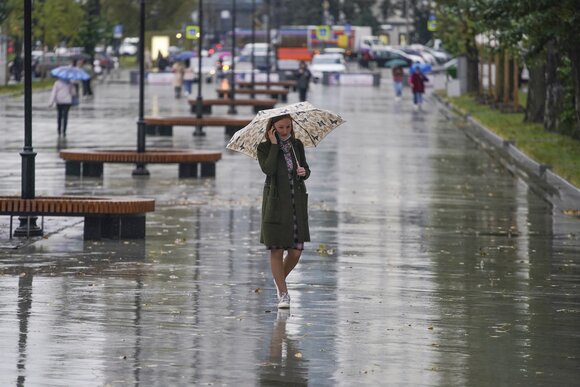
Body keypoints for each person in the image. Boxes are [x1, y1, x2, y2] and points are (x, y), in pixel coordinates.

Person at [257, 114, 311, 309]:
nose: (285, 131)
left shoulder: (297, 145)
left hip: (296, 203)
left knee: (296, 251)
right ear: (272, 128)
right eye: (280, 127)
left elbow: (306, 169)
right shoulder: (264, 148)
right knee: (277, 249)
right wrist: (273, 145)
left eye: (288, 127)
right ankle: (283, 293)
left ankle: (278, 280)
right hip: (276, 204)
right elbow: (269, 170)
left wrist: (304, 172)